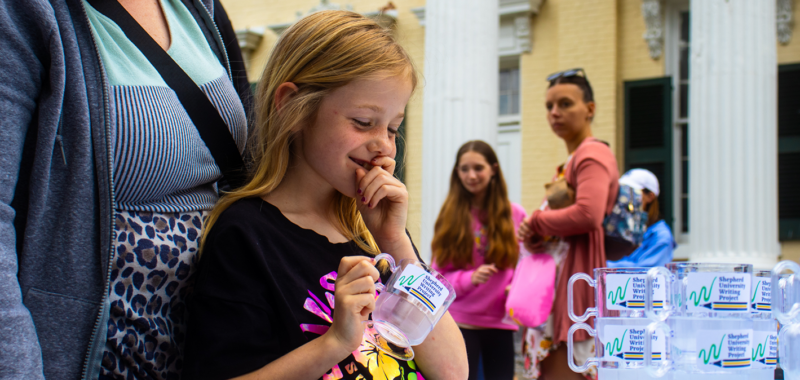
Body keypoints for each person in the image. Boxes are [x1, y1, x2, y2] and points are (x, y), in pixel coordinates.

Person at [183, 10, 468, 380]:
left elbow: (452, 371)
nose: (384, 146)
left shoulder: (372, 232)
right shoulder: (245, 235)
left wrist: (396, 242)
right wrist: (335, 341)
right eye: (364, 122)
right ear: (292, 107)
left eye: (394, 128)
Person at [1, 0, 250, 378]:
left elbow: (252, 166)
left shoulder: (201, 8)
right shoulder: (25, 12)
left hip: (214, 346)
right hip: (100, 357)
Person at [517, 68, 619, 380]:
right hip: (560, 285)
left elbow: (588, 214)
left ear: (590, 109)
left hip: (574, 286)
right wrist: (535, 234)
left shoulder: (592, 154)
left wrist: (536, 220)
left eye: (565, 104)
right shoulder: (575, 159)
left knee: (565, 367)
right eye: (549, 106)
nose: (555, 113)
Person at [430, 140, 526, 380]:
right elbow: (437, 276)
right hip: (462, 324)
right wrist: (468, 278)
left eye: (478, 168)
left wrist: (519, 287)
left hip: (502, 323)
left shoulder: (516, 214)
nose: (471, 175)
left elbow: (527, 264)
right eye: (464, 169)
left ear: (493, 169)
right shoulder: (449, 216)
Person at [607, 169, 676, 268]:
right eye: (623, 191)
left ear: (650, 197)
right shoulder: (618, 227)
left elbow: (643, 274)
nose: (625, 197)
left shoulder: (661, 236)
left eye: (632, 191)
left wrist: (600, 264)